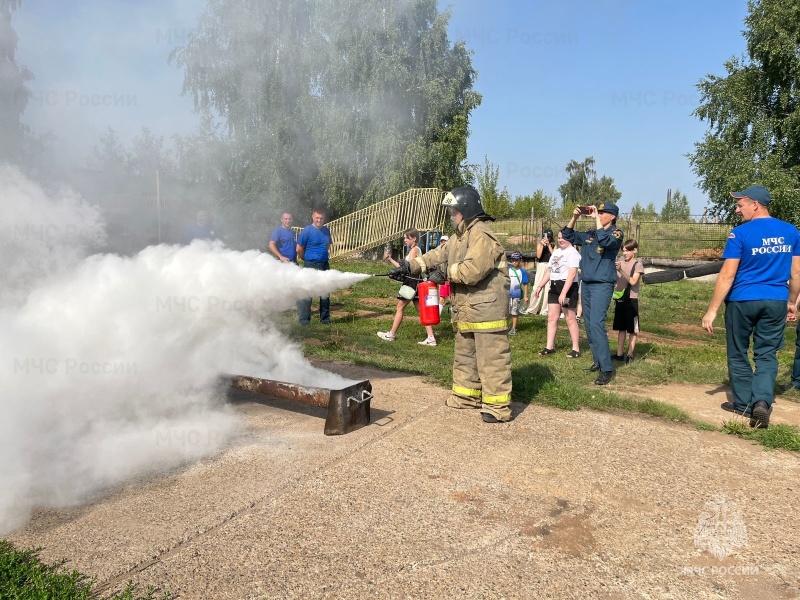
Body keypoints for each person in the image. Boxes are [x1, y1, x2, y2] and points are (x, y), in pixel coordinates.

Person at [388, 186, 512, 423]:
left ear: (465, 210)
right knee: (465, 356)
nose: (450, 215)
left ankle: (498, 408)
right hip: (467, 308)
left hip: (487, 309)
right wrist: (410, 267)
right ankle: (466, 397)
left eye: (453, 211)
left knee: (492, 359)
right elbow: (437, 255)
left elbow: (472, 271)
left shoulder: (482, 236)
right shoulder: (459, 236)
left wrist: (444, 273)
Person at [702, 185, 800, 428]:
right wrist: (791, 302)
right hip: (776, 300)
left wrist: (712, 309)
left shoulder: (739, 234)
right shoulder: (791, 232)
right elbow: (796, 271)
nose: (737, 209)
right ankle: (762, 403)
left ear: (755, 204)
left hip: (742, 300)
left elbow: (727, 274)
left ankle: (744, 404)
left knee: (738, 351)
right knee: (767, 354)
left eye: (740, 204)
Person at [562, 202, 624, 385]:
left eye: (603, 213)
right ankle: (597, 361)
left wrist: (597, 220)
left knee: (597, 323)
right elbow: (567, 236)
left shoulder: (616, 234)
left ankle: (607, 368)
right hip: (587, 284)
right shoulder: (590, 234)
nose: (600, 214)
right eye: (599, 212)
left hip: (602, 285)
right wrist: (574, 217)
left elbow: (605, 241)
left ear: (612, 216)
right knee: (589, 325)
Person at [377, 229, 437, 346]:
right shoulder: (412, 250)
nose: (404, 240)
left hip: (411, 282)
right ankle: (431, 338)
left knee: (400, 308)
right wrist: (391, 260)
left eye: (407, 238)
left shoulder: (415, 250)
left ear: (414, 238)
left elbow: (408, 268)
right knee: (421, 310)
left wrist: (397, 272)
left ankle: (391, 334)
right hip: (416, 282)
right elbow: (402, 267)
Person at [533, 231, 582, 357]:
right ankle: (550, 347)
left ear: (569, 238)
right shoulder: (556, 252)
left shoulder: (573, 253)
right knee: (551, 317)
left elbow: (572, 274)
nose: (560, 240)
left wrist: (564, 293)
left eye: (563, 238)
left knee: (569, 318)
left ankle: (576, 349)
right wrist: (540, 286)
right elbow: (550, 270)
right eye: (559, 238)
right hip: (554, 285)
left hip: (567, 286)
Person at [296, 208, 333, 325]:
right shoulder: (307, 231)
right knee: (307, 292)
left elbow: (327, 245)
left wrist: (321, 257)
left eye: (321, 218)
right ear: (313, 217)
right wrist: (307, 259)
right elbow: (299, 249)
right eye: (317, 218)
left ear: (324, 219)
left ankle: (325, 319)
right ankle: (304, 320)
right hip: (310, 264)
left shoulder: (326, 231)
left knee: (325, 292)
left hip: (324, 264)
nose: (319, 220)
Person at [612, 240, 644, 364]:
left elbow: (632, 281)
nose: (624, 253)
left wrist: (620, 270)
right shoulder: (619, 262)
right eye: (623, 250)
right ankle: (619, 354)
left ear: (634, 250)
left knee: (632, 329)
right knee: (621, 328)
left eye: (627, 250)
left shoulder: (638, 265)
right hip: (620, 298)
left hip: (631, 299)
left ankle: (630, 354)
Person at [527, 230, 554, 315]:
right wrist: (542, 245)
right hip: (541, 265)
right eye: (546, 237)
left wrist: (549, 246)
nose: (547, 238)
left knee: (548, 288)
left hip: (550, 266)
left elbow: (554, 255)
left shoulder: (554, 246)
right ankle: (532, 309)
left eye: (549, 237)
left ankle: (545, 310)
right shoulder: (540, 245)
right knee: (537, 286)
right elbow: (538, 256)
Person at [507, 250, 529, 335]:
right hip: (508, 294)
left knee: (514, 312)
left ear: (520, 260)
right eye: (513, 260)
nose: (514, 262)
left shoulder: (522, 271)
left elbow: (526, 284)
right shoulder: (508, 270)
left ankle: (514, 328)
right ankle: (507, 326)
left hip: (516, 295)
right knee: (507, 311)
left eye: (516, 260)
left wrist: (526, 296)